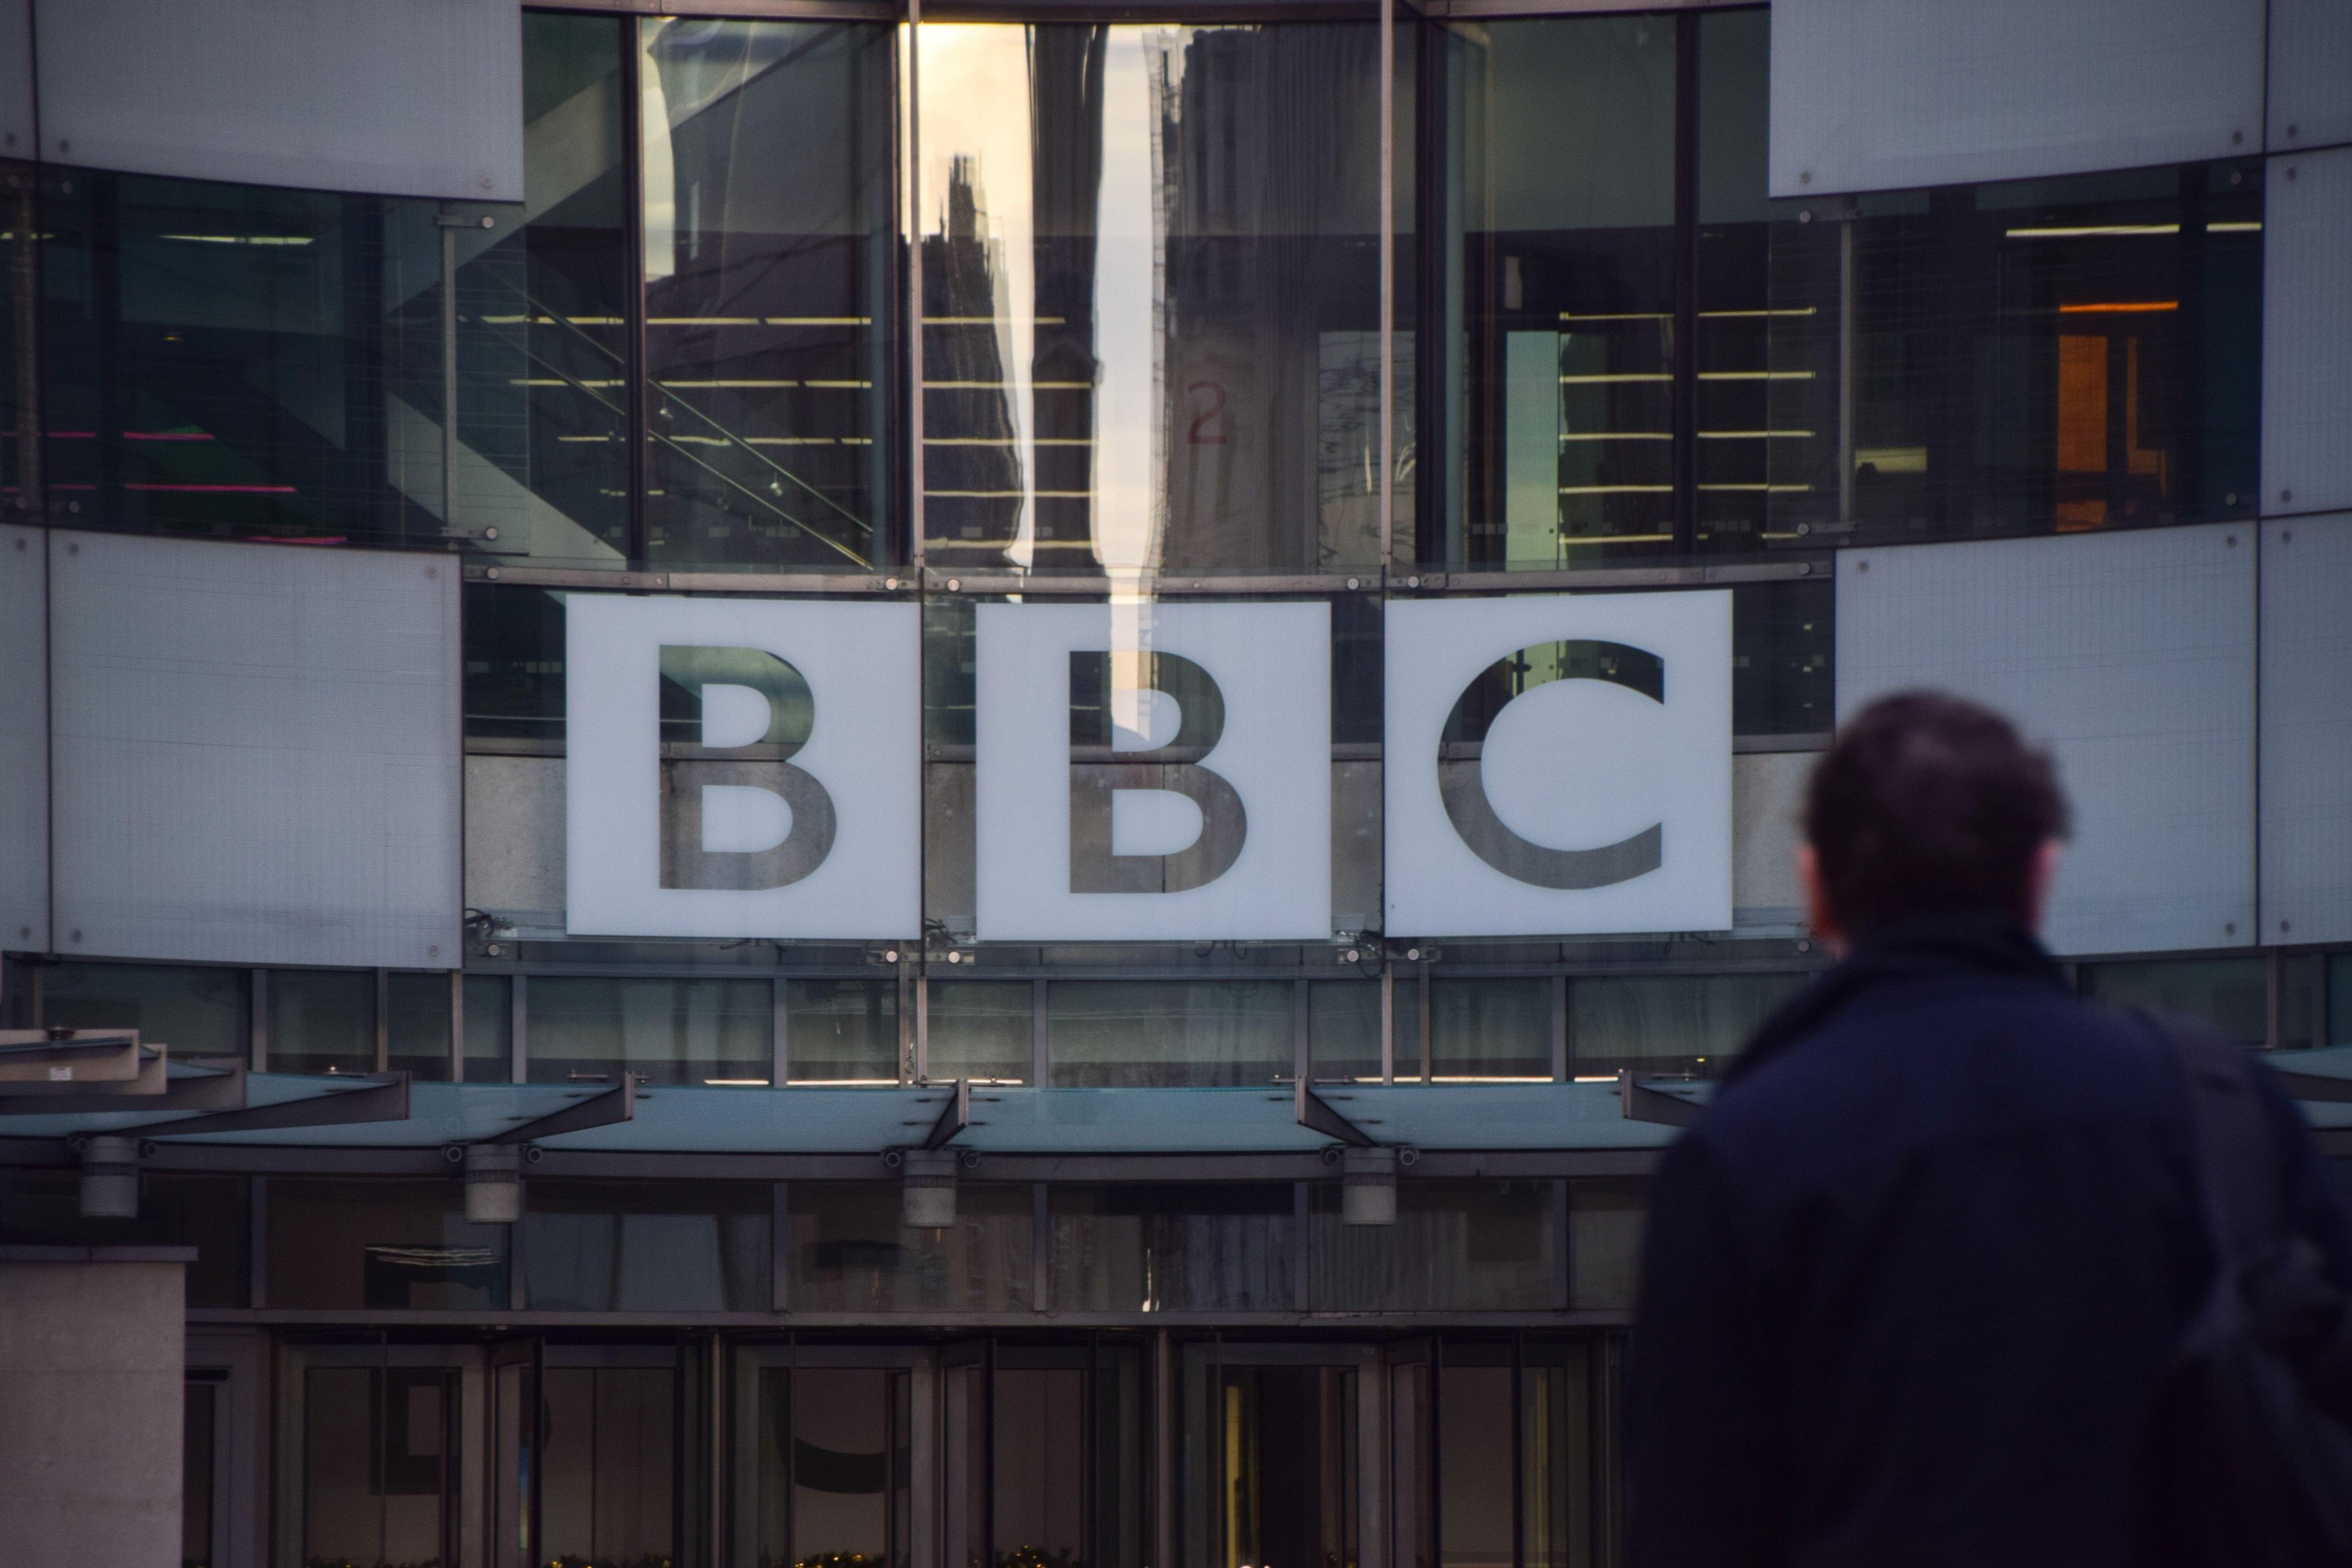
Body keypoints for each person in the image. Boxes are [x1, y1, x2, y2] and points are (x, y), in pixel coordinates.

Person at [1625, 690, 2352, 1567]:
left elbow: (1692, 1520)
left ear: (1817, 890)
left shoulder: (1738, 1158)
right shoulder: (2222, 1113)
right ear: (2039, 878)